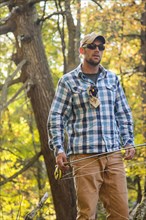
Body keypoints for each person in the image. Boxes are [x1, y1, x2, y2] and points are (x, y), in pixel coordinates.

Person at [47, 32, 135, 220]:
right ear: (82, 50)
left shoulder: (112, 79)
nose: (97, 50)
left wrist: (128, 141)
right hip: (84, 157)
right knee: (87, 215)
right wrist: (59, 149)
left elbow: (123, 113)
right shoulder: (68, 81)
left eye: (101, 47)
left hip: (113, 155)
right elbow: (55, 117)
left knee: (121, 214)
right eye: (92, 46)